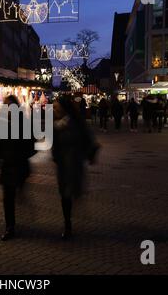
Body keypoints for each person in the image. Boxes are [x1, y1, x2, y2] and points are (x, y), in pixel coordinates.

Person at [52, 96, 99, 239]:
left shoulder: (77, 123)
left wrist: (89, 155)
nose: (54, 110)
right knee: (64, 195)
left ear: (65, 109)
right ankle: (67, 223)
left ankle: (68, 224)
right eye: (53, 107)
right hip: (62, 165)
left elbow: (89, 140)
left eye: (57, 108)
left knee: (71, 191)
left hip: (74, 162)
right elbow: (54, 145)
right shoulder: (54, 125)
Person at [0, 95, 32, 241]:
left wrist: (21, 155)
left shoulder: (24, 123)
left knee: (12, 193)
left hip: (19, 165)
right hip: (6, 166)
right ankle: (9, 227)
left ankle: (21, 193)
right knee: (8, 198)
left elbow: (32, 146)